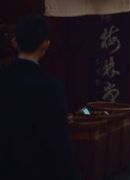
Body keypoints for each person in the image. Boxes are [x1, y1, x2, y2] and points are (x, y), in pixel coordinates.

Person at [0, 14, 79, 180]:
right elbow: (60, 144)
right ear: (45, 45)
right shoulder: (51, 87)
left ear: (14, 43)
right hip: (39, 169)